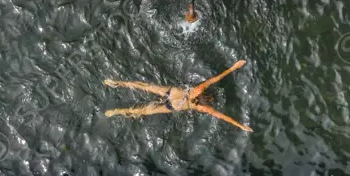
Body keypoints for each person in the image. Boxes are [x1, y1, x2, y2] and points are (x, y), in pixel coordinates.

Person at [103, 59, 253, 132]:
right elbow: (223, 117)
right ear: (206, 102)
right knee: (143, 111)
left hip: (170, 92)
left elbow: (216, 78)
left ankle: (115, 83)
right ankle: (117, 112)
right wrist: (240, 125)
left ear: (205, 94)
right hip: (172, 106)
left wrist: (234, 67)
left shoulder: (198, 89)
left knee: (144, 86)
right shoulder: (202, 108)